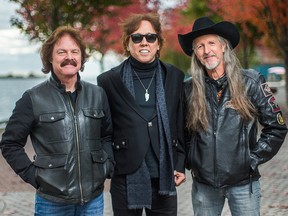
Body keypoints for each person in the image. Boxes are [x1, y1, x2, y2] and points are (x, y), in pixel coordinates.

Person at [178, 16, 288, 216]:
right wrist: (193, 160)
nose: (206, 50)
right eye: (200, 46)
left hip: (244, 184)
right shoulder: (188, 89)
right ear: (195, 53)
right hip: (204, 186)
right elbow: (183, 132)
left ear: (223, 47)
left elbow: (277, 127)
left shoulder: (251, 82)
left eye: (212, 43)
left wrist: (251, 159)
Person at [0, 26, 114, 216]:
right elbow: (10, 143)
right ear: (50, 58)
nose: (69, 56)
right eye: (61, 52)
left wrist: (107, 166)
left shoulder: (98, 94)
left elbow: (108, 135)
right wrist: (34, 176)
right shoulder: (33, 98)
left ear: (81, 58)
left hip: (93, 200)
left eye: (74, 51)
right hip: (52, 202)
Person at [97, 13, 186, 216]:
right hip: (126, 176)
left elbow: (180, 124)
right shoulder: (108, 81)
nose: (144, 42)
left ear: (158, 43)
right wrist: (111, 166)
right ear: (128, 43)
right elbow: (104, 132)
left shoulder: (174, 76)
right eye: (136, 37)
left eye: (150, 37)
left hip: (165, 175)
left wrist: (179, 163)